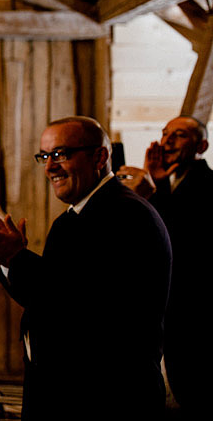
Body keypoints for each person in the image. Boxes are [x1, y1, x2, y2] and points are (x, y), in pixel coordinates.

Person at [0, 116, 171, 421]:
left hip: (107, 398)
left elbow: (84, 304)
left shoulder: (128, 215)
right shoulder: (69, 220)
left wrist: (17, 258)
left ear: (99, 157)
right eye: (45, 156)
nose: (49, 167)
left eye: (61, 154)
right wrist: (8, 261)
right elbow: (45, 298)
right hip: (66, 393)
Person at [117, 116, 211, 419]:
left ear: (202, 146)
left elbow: (181, 241)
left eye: (179, 136)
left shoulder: (209, 186)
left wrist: (151, 194)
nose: (167, 141)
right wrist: (156, 183)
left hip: (195, 316)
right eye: (165, 134)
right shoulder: (168, 185)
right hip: (167, 313)